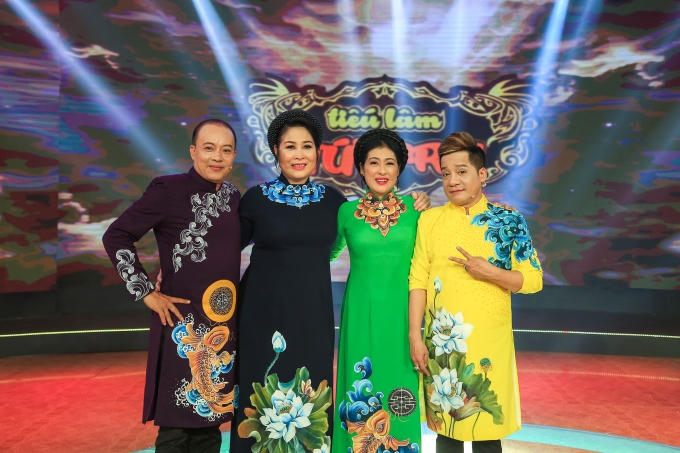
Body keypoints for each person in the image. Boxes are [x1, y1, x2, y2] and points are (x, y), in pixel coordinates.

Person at [102, 119, 240, 453]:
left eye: (225, 150)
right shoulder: (168, 190)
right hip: (183, 326)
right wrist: (145, 291)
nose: (217, 157)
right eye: (209, 148)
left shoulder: (234, 198)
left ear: (233, 157)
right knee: (177, 429)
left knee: (209, 426)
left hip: (222, 329)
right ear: (193, 151)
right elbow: (116, 235)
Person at [408, 132, 543, 453]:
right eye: (445, 173)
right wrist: (415, 335)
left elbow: (533, 280)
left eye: (461, 171)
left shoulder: (509, 221)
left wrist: (490, 272)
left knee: (487, 433)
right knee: (447, 431)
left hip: (488, 345)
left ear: (482, 174)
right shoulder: (429, 221)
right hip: (443, 344)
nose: (452, 180)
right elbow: (418, 279)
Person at [331, 129, 423, 453]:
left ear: (399, 169)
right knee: (360, 391)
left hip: (402, 319)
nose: (381, 170)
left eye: (389, 163)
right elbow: (326, 254)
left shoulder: (417, 210)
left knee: (400, 395)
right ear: (361, 167)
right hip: (360, 318)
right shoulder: (346, 212)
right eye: (373, 162)